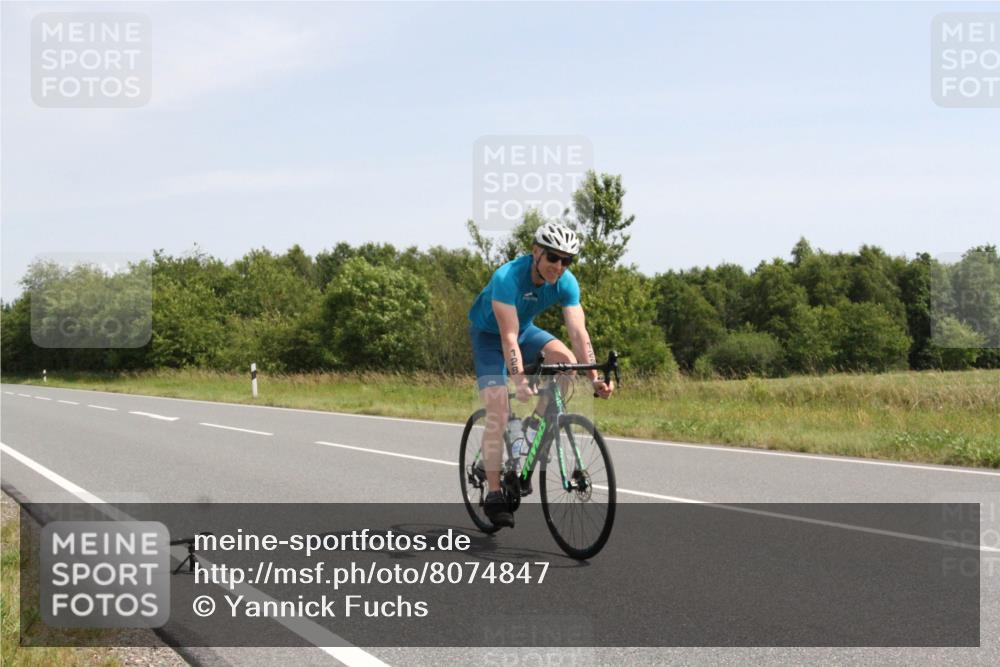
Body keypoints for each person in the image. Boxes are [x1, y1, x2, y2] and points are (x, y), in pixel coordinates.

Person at [467, 221, 614, 528]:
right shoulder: (507, 277)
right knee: (498, 409)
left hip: (524, 331)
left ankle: (534, 425)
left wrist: (594, 378)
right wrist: (519, 379)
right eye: (552, 257)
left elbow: (578, 331)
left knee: (567, 362)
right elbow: (508, 337)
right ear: (536, 252)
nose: (558, 266)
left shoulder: (566, 282)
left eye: (566, 260)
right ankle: (494, 493)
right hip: (490, 337)